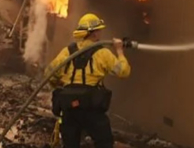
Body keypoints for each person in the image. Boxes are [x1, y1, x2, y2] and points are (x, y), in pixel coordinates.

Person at [47, 13, 131, 148]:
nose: (100, 34)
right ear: (94, 33)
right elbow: (123, 71)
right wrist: (120, 51)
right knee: (104, 142)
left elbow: (49, 73)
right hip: (91, 108)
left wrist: (61, 84)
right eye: (99, 31)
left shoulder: (67, 52)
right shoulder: (102, 53)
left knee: (70, 144)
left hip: (69, 109)